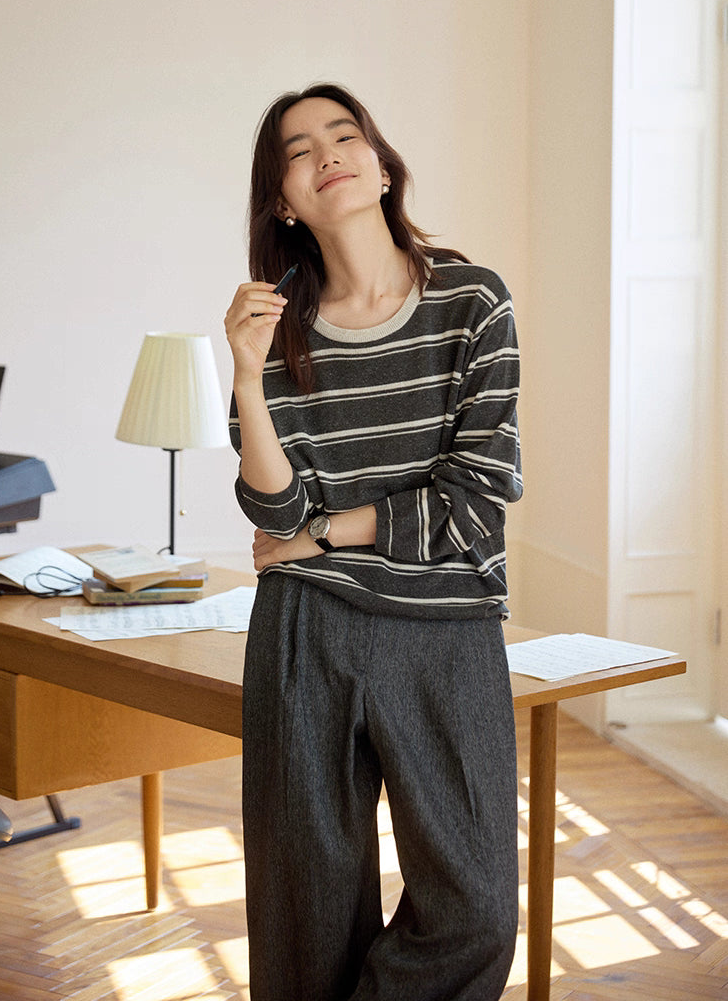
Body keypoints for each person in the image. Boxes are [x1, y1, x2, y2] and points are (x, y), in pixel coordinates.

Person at [224, 82, 522, 1001]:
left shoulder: (472, 301)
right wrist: (244, 374)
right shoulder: (275, 330)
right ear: (285, 199)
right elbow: (272, 518)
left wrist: (324, 534)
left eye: (343, 134)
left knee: (475, 908)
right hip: (304, 633)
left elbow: (478, 503)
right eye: (299, 151)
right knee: (302, 919)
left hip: (446, 629)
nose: (327, 154)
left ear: (382, 162)